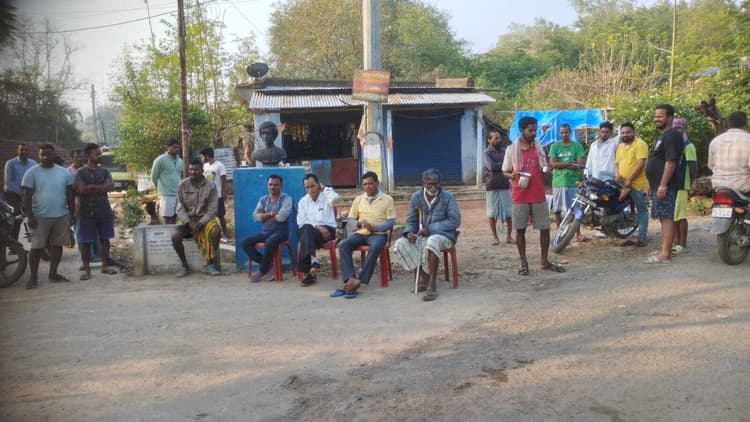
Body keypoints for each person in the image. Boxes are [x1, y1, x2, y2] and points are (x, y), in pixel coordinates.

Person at [502, 116, 565, 276]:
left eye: (535, 130)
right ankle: (523, 263)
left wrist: (548, 168)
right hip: (520, 195)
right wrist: (512, 175)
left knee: (544, 228)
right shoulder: (511, 149)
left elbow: (543, 166)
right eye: (530, 130)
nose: (533, 133)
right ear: (521, 130)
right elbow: (505, 172)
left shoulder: (538, 147)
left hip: (538, 194)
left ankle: (544, 261)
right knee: (520, 230)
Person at [392, 169, 461, 302]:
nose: (433, 187)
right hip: (422, 235)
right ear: (424, 183)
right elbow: (411, 220)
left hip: (444, 235)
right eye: (430, 184)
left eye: (436, 184)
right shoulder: (416, 197)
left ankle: (432, 284)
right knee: (401, 243)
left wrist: (430, 229)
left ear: (440, 183)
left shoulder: (448, 197)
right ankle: (425, 277)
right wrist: (408, 233)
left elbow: (455, 221)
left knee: (432, 241)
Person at [333, 171, 396, 298]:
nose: (367, 187)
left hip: (378, 234)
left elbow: (390, 222)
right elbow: (351, 219)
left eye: (370, 184)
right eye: (365, 184)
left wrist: (375, 228)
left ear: (377, 183)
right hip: (361, 233)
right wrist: (359, 223)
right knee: (344, 245)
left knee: (375, 247)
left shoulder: (387, 199)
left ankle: (360, 280)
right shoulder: (359, 199)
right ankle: (350, 279)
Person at [21, 144, 75, 289]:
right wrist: (30, 216)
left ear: (54, 155)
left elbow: (70, 194)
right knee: (36, 248)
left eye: (48, 154)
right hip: (39, 217)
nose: (45, 157)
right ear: (38, 155)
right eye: (42, 154)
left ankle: (53, 274)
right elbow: (27, 196)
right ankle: (33, 278)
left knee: (57, 246)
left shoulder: (63, 172)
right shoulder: (31, 172)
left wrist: (72, 214)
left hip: (61, 215)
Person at [645, 103, 684, 264]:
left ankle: (666, 254)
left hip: (665, 186)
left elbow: (671, 162)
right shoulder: (662, 136)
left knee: (667, 218)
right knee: (663, 217)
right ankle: (664, 249)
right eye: (655, 116)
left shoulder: (673, 135)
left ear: (670, 117)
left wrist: (663, 185)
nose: (656, 119)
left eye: (660, 116)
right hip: (657, 185)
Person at [75, 143, 118, 280]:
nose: (100, 156)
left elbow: (110, 187)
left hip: (104, 210)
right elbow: (82, 190)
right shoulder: (81, 172)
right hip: (86, 212)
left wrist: (93, 187)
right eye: (97, 154)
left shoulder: (104, 171)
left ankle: (104, 266)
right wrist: (101, 187)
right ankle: (87, 270)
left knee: (105, 239)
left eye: (100, 154)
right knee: (86, 242)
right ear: (88, 155)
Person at [171, 159, 222, 277]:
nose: (193, 172)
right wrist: (188, 222)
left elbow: (213, 209)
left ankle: (210, 264)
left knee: (216, 231)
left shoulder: (211, 185)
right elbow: (180, 208)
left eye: (196, 170)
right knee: (175, 236)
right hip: (188, 221)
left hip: (205, 220)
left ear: (202, 170)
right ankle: (184, 266)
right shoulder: (183, 185)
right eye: (191, 170)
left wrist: (200, 223)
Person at [239, 175, 293, 282]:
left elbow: (281, 218)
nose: (273, 187)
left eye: (276, 185)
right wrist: (271, 214)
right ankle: (269, 266)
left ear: (281, 186)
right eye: (270, 184)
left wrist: (264, 216)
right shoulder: (263, 199)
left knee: (269, 242)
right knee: (244, 243)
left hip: (281, 232)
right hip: (266, 233)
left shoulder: (286, 199)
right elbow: (255, 217)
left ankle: (262, 270)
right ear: (267, 186)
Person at [297, 173, 340, 286]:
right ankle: (313, 261)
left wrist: (325, 189)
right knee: (306, 228)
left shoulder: (327, 197)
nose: (310, 190)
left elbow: (336, 198)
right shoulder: (303, 201)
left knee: (305, 234)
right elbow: (301, 221)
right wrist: (317, 226)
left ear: (318, 185)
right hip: (310, 231)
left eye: (313, 186)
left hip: (328, 231)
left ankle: (309, 271)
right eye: (307, 187)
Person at [548, 123, 586, 241]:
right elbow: (553, 163)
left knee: (576, 209)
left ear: (570, 132)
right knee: (557, 210)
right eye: (562, 132)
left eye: (566, 132)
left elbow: (579, 164)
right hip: (558, 182)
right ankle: (560, 234)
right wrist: (570, 163)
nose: (564, 134)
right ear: (559, 134)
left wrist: (561, 164)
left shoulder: (577, 146)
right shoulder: (554, 146)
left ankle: (578, 234)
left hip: (573, 182)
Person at [615, 122, 650, 247]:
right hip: (622, 183)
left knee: (642, 210)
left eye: (628, 132)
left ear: (633, 132)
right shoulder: (620, 146)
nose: (625, 135)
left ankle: (642, 238)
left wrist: (629, 180)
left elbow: (640, 164)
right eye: (623, 133)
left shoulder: (640, 144)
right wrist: (617, 175)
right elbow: (616, 163)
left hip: (637, 184)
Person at [482, 129, 514, 245]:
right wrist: (504, 165)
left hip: (505, 185)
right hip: (492, 187)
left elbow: (510, 165)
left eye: (499, 138)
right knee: (491, 214)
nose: (499, 140)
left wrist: (502, 166)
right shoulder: (486, 153)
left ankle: (509, 237)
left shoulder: (504, 151)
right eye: (496, 138)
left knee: (509, 214)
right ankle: (495, 237)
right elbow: (491, 166)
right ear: (489, 140)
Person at [671, 117, 697, 255]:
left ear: (683, 128)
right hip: (671, 184)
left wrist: (692, 183)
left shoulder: (688, 146)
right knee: (673, 215)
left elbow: (693, 166)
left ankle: (682, 243)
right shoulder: (672, 145)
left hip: (682, 183)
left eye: (678, 128)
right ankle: (675, 241)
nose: (676, 130)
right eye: (673, 128)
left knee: (680, 215)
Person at [708, 110, 750, 194]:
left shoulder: (715, 141)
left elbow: (711, 166)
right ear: (746, 124)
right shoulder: (748, 139)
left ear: (728, 124)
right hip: (743, 189)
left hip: (719, 188)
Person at [3, 143, 37, 241]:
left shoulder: (33, 163)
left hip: (28, 193)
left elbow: (36, 179)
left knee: (35, 214)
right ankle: (13, 242)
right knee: (17, 216)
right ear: (17, 151)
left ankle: (35, 239)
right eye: (22, 150)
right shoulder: (11, 163)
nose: (24, 152)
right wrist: (21, 193)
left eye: (26, 150)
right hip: (13, 194)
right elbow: (9, 182)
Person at [200, 147, 230, 240]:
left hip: (217, 195)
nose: (202, 158)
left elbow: (223, 180)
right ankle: (210, 233)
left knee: (220, 215)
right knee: (208, 215)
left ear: (207, 156)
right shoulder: (205, 166)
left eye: (203, 156)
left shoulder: (219, 165)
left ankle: (225, 234)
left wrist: (224, 192)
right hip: (207, 195)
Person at [151, 138, 183, 224]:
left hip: (178, 194)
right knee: (167, 218)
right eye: (174, 147)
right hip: (166, 195)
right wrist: (161, 190)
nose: (177, 149)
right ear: (167, 147)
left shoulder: (180, 161)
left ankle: (172, 233)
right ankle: (166, 233)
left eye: (178, 147)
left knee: (175, 217)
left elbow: (181, 175)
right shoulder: (160, 160)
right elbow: (154, 177)